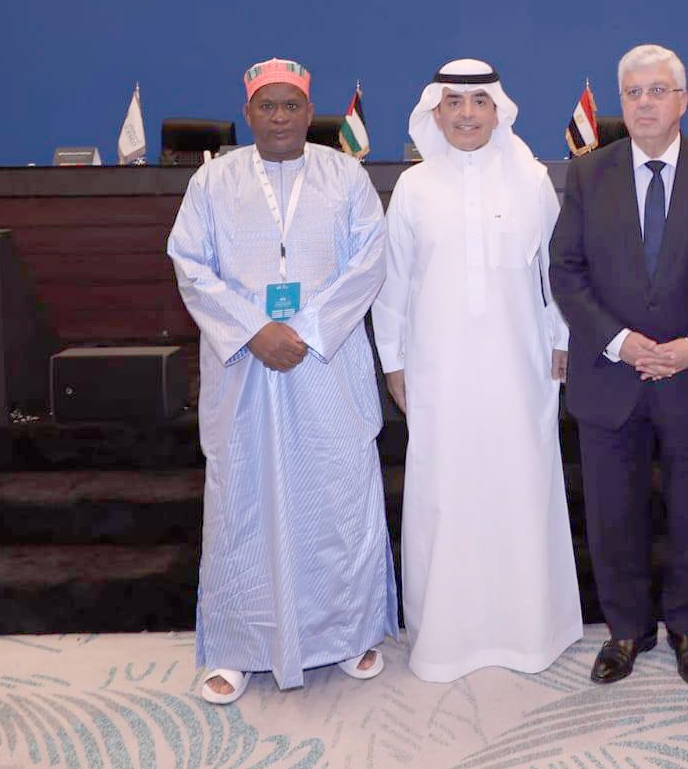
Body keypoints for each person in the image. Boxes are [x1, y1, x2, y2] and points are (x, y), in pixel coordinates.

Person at [168, 57, 395, 704]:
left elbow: (370, 262)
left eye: (290, 105)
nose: (278, 118)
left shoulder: (345, 176)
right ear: (247, 114)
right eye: (266, 106)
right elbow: (190, 264)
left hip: (327, 363)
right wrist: (253, 331)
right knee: (243, 502)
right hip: (245, 366)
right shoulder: (213, 181)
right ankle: (239, 647)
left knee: (336, 494)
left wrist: (308, 331)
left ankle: (348, 634)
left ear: (309, 112)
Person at [550, 44, 688, 688]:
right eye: (634, 93)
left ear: (683, 100)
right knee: (613, 515)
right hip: (610, 376)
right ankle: (625, 629)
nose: (645, 103)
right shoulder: (588, 174)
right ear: (622, 103)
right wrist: (619, 341)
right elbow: (566, 271)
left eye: (657, 91)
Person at [373, 58, 582, 682]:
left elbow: (556, 272)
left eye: (479, 102)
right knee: (445, 495)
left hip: (521, 366)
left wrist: (562, 339)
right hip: (438, 368)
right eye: (454, 103)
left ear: (498, 110)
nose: (467, 115)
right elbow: (393, 282)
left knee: (521, 487)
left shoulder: (531, 180)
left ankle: (529, 633)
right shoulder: (414, 187)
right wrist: (394, 360)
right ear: (435, 113)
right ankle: (447, 639)